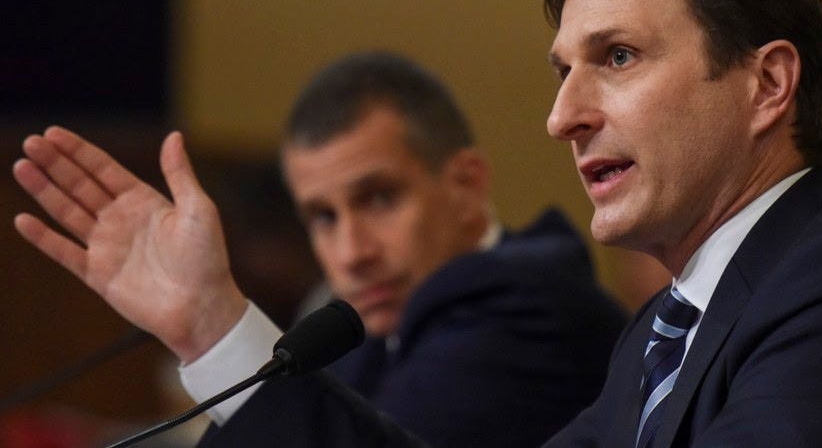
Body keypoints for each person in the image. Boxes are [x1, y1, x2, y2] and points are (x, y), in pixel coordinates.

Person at [12, 0, 822, 447]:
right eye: (561, 72)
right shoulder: (667, 330)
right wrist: (209, 324)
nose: (562, 116)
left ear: (766, 83)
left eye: (617, 57)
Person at [12, 51, 626, 448]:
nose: (351, 252)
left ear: (465, 185)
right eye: (323, 218)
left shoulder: (533, 309)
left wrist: (209, 323)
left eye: (379, 199)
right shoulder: (361, 331)